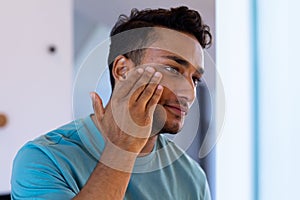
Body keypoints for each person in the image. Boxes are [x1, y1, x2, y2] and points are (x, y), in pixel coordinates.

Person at [11, 6, 212, 200]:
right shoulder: (43, 159)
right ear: (122, 70)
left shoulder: (193, 179)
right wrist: (124, 146)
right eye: (173, 69)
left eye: (195, 79)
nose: (188, 93)